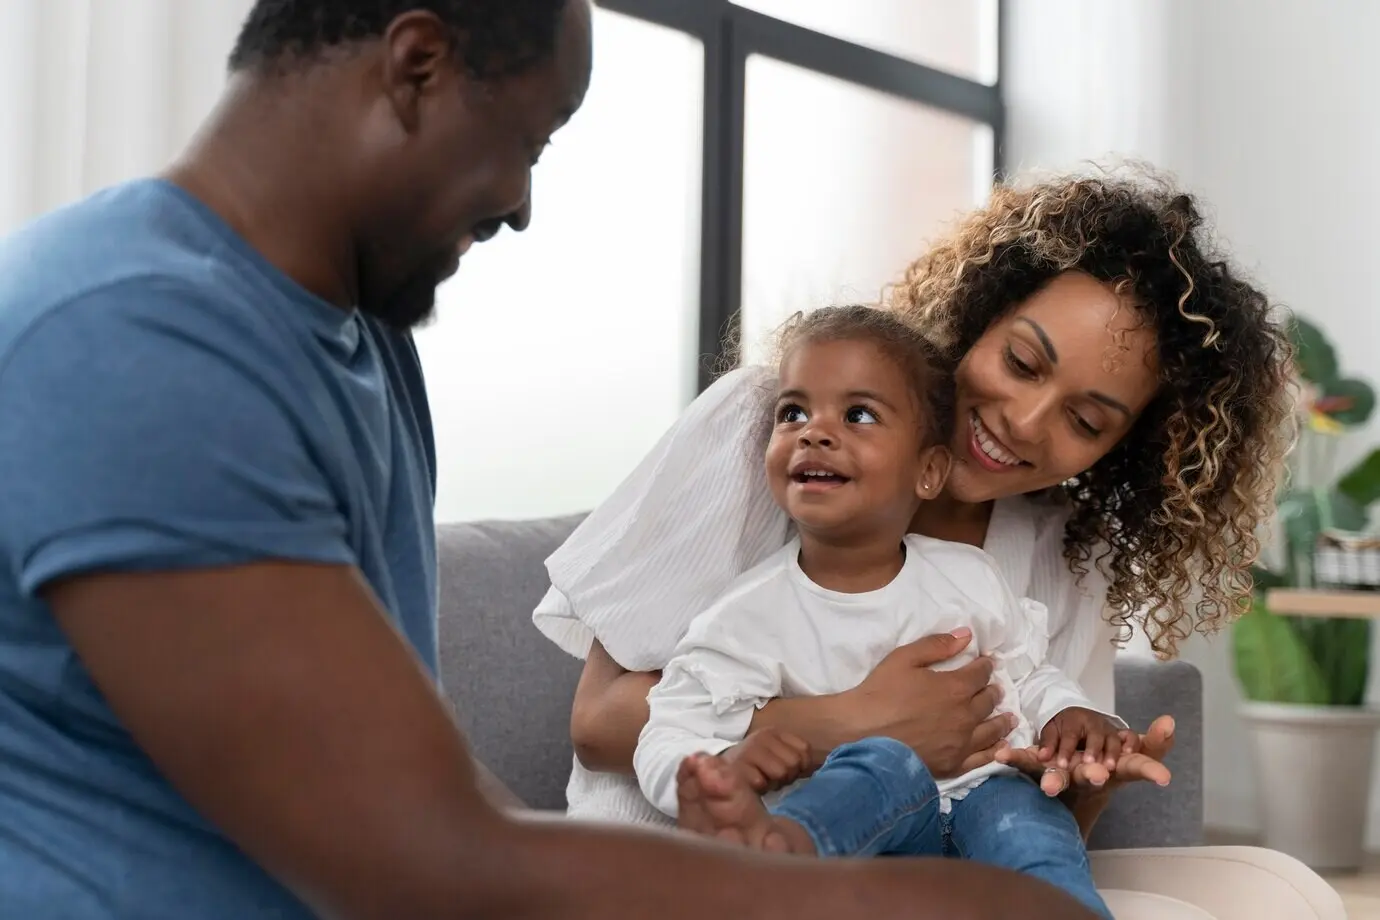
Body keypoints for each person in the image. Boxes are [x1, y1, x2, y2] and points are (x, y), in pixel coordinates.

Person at [0, 1, 1107, 919]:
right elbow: (422, 859)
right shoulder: (137, 338)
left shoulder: (361, 346)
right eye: (527, 144)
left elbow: (432, 799)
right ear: (416, 64)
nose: (522, 209)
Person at [533, 173, 1307, 914]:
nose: (1024, 422)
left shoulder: (1064, 556)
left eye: (1085, 421)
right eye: (1021, 362)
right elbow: (599, 721)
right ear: (981, 316)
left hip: (917, 881)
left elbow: (1031, 805)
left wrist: (1084, 773)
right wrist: (851, 721)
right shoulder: (778, 431)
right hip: (679, 864)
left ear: (1124, 451)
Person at [624, 305, 1134, 919]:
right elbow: (666, 733)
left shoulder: (968, 577)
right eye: (793, 413)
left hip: (984, 803)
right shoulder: (745, 616)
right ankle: (779, 856)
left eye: (858, 415)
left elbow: (1027, 674)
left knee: (1031, 823)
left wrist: (1069, 714)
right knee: (884, 762)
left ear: (928, 471)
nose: (814, 432)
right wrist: (723, 766)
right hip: (864, 842)